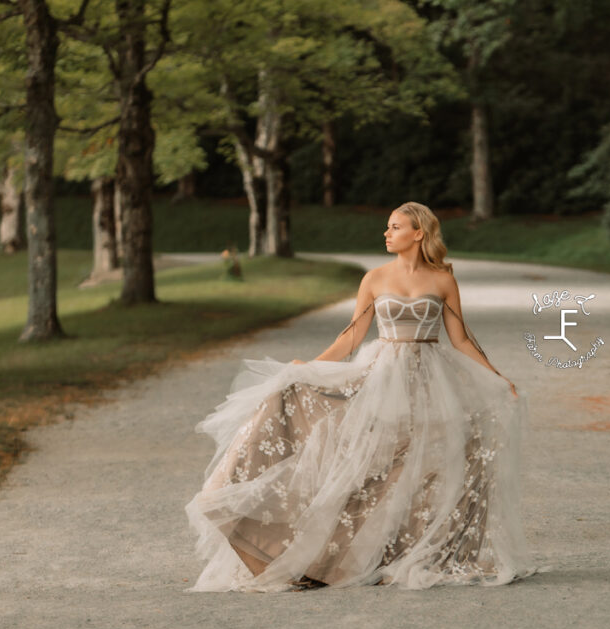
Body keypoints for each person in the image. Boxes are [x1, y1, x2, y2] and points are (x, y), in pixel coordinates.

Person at [184, 201, 537, 592]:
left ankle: (418, 550)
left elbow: (461, 339)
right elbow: (351, 336)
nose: (386, 233)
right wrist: (310, 368)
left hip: (430, 377)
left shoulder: (442, 280)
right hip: (383, 373)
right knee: (368, 463)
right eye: (388, 227)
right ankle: (319, 557)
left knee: (431, 461)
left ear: (418, 233)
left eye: (395, 226)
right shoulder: (374, 278)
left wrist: (498, 377)